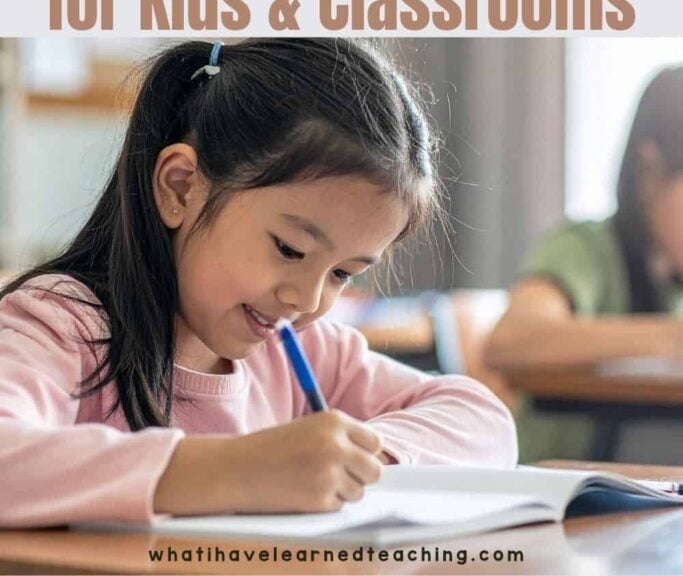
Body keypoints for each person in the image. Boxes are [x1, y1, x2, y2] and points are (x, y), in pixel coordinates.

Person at [0, 38, 516, 526]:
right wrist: (235, 470)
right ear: (180, 187)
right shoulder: (62, 323)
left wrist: (351, 460)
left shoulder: (301, 350)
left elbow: (482, 419)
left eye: (342, 273)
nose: (307, 299)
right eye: (290, 249)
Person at [485, 64, 683, 462]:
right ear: (650, 171)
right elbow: (512, 340)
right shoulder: (584, 249)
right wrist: (672, 338)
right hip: (565, 499)